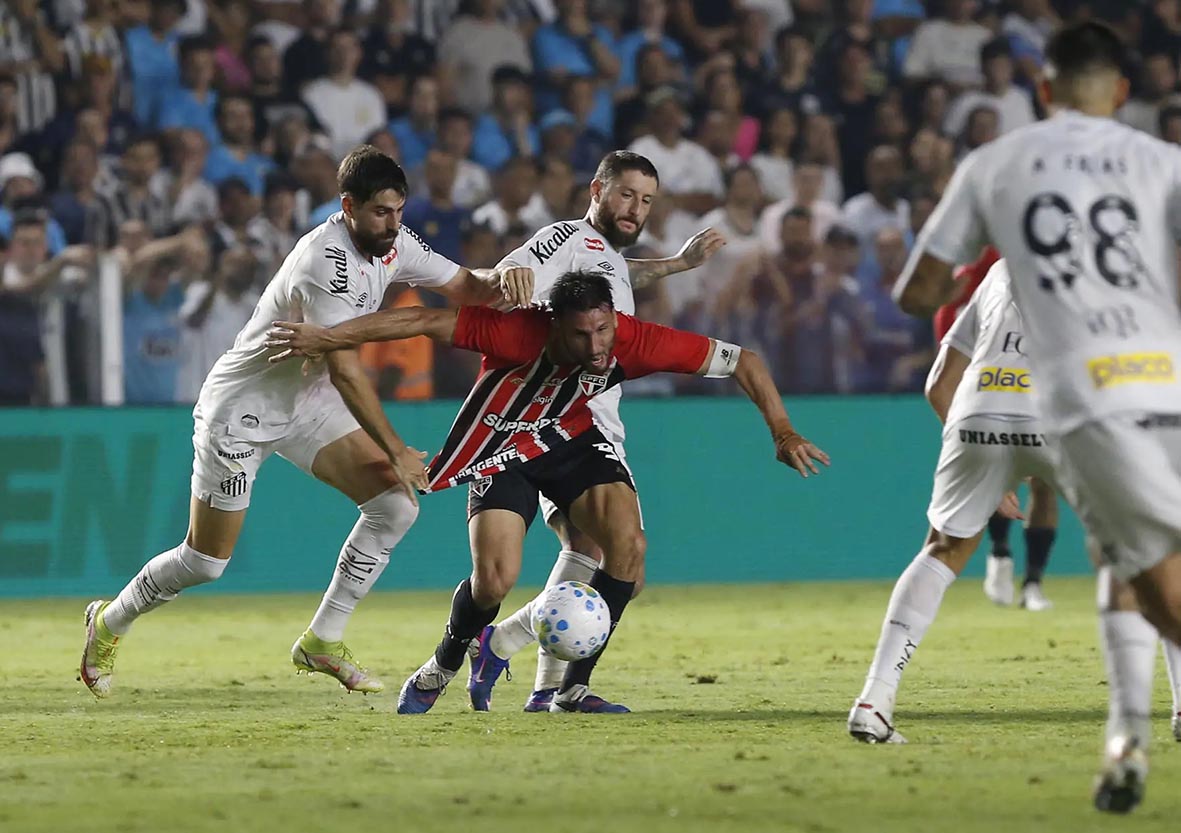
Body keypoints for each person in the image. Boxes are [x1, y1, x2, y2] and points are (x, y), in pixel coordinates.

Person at [264, 270, 830, 715]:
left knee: (628, 551)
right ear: (556, 325)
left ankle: (572, 690)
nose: (597, 345)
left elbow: (744, 360)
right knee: (495, 580)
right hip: (500, 445)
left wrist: (782, 431)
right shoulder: (516, 331)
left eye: (603, 329)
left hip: (568, 441)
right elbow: (420, 319)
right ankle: (444, 663)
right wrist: (329, 336)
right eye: (582, 334)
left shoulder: (632, 340)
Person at [78, 145, 528, 699]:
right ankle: (109, 620)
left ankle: (322, 639)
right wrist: (394, 449)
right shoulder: (325, 262)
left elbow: (468, 286)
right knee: (205, 561)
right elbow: (345, 370)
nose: (392, 224)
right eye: (381, 212)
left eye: (398, 211)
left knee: (394, 506)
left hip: (306, 402)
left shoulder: (394, 243)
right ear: (347, 206)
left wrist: (511, 277)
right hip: (243, 410)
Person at [893, 22, 1181, 813]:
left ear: (1043, 90)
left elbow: (916, 293)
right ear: (1122, 92)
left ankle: (1129, 736)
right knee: (1139, 563)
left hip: (1089, 396)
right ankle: (1127, 733)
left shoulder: (996, 164)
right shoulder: (1163, 162)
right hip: (1167, 386)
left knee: (1138, 565)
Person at [465, 150, 725, 713]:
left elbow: (620, 276)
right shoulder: (563, 238)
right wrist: (501, 278)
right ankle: (519, 654)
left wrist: (676, 264)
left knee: (589, 551)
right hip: (573, 423)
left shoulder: (603, 256)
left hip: (584, 419)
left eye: (647, 200)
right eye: (627, 194)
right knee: (623, 567)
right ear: (597, 191)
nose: (636, 209)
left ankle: (540, 684)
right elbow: (507, 277)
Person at [934, 245, 1057, 610]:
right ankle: (1000, 552)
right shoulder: (973, 286)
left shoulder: (1027, 265)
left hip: (1040, 388)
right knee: (1000, 476)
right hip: (990, 393)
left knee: (1044, 487)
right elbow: (949, 365)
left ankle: (1032, 583)